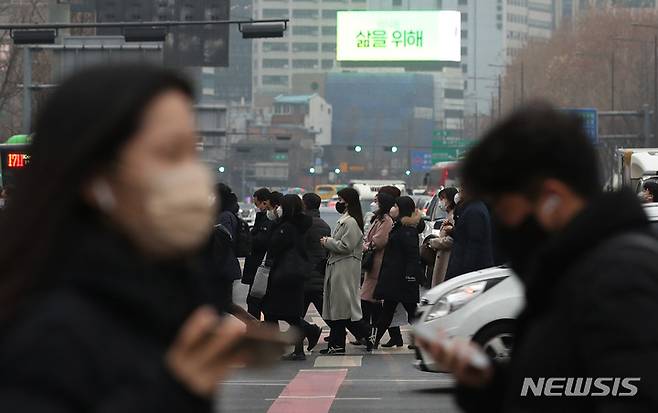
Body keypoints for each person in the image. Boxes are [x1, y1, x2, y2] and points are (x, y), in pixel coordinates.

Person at [0, 64, 252, 411]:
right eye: (168, 154)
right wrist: (173, 393)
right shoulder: (47, 330)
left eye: (192, 154)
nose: (193, 175)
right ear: (94, 175)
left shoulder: (162, 298)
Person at [419, 102, 658, 412]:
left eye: (503, 210)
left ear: (552, 199)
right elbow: (561, 385)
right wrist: (489, 383)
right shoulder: (566, 272)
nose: (502, 225)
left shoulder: (619, 279)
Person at [261, 194, 317, 361]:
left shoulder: (286, 227)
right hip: (295, 274)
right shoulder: (301, 224)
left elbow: (273, 246)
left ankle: (276, 348)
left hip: (282, 274)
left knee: (271, 311)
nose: (278, 209)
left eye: (281, 206)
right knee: (292, 314)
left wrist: (274, 225)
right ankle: (298, 348)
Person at [320, 187, 371, 354]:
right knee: (340, 309)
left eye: (341, 200)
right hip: (339, 267)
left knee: (341, 310)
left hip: (344, 268)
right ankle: (339, 343)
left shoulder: (350, 222)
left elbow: (345, 246)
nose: (339, 203)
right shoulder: (347, 220)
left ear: (348, 202)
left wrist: (327, 242)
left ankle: (340, 344)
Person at [372, 196, 422, 348]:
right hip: (395, 277)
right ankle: (374, 341)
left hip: (404, 279)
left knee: (411, 312)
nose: (392, 208)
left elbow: (412, 255)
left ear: (402, 208)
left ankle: (423, 340)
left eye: (395, 205)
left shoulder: (408, 230)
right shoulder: (399, 226)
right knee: (388, 311)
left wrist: (410, 276)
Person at [359, 192, 395, 345]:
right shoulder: (377, 219)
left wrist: (366, 245)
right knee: (368, 300)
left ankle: (369, 334)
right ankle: (368, 334)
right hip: (372, 263)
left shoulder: (386, 220)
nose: (373, 203)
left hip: (377, 263)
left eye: (376, 201)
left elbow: (378, 241)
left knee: (369, 300)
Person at [300, 193, 331, 351]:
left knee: (296, 315)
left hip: (305, 274)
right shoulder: (324, 224)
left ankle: (300, 345)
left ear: (305, 205)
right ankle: (361, 333)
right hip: (319, 272)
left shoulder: (303, 224)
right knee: (325, 312)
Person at [444, 188, 494, 280]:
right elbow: (464, 235)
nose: (459, 194)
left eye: (462, 189)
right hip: (465, 269)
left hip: (467, 272)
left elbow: (474, 244)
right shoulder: (471, 208)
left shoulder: (474, 211)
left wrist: (466, 275)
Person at [242, 187, 273, 319]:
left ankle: (254, 331)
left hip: (261, 267)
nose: (257, 207)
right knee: (259, 302)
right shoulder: (262, 218)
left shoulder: (268, 219)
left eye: (257, 204)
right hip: (258, 267)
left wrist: (247, 238)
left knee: (255, 301)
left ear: (265, 202)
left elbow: (261, 241)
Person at [429, 187, 459, 287]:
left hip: (446, 259)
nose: (441, 202)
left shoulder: (453, 216)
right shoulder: (449, 215)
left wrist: (433, 242)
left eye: (443, 198)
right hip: (442, 258)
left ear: (451, 199)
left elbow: (451, 240)